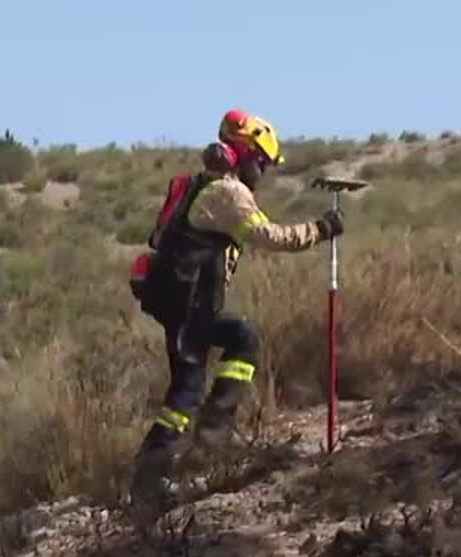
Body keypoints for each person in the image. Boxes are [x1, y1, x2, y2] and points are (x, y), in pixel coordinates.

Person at [127, 109, 345, 510]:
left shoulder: (200, 184)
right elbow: (269, 235)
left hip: (182, 301)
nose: (262, 172)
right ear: (246, 156)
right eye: (261, 163)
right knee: (199, 378)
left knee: (222, 357)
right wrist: (321, 229)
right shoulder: (228, 193)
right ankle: (168, 467)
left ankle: (187, 454)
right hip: (189, 304)